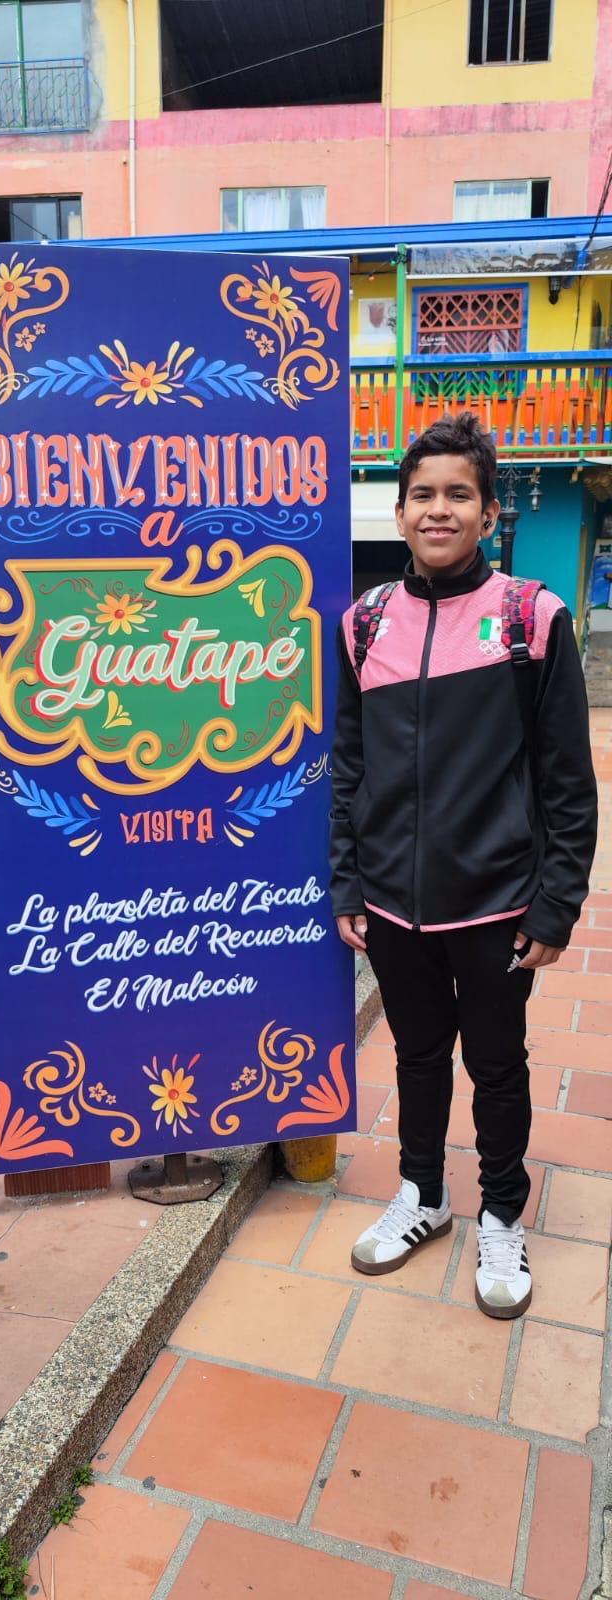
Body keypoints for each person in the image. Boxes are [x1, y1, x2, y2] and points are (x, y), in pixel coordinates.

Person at [330, 413, 597, 1318]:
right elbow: (348, 766)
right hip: (392, 906)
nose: (437, 510)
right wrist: (348, 880)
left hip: (496, 903)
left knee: (496, 1064)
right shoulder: (364, 625)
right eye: (422, 495)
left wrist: (555, 905)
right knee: (415, 1058)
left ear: (486, 512)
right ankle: (423, 1195)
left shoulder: (531, 620)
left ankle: (503, 1214)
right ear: (400, 512)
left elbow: (568, 779)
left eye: (457, 494)